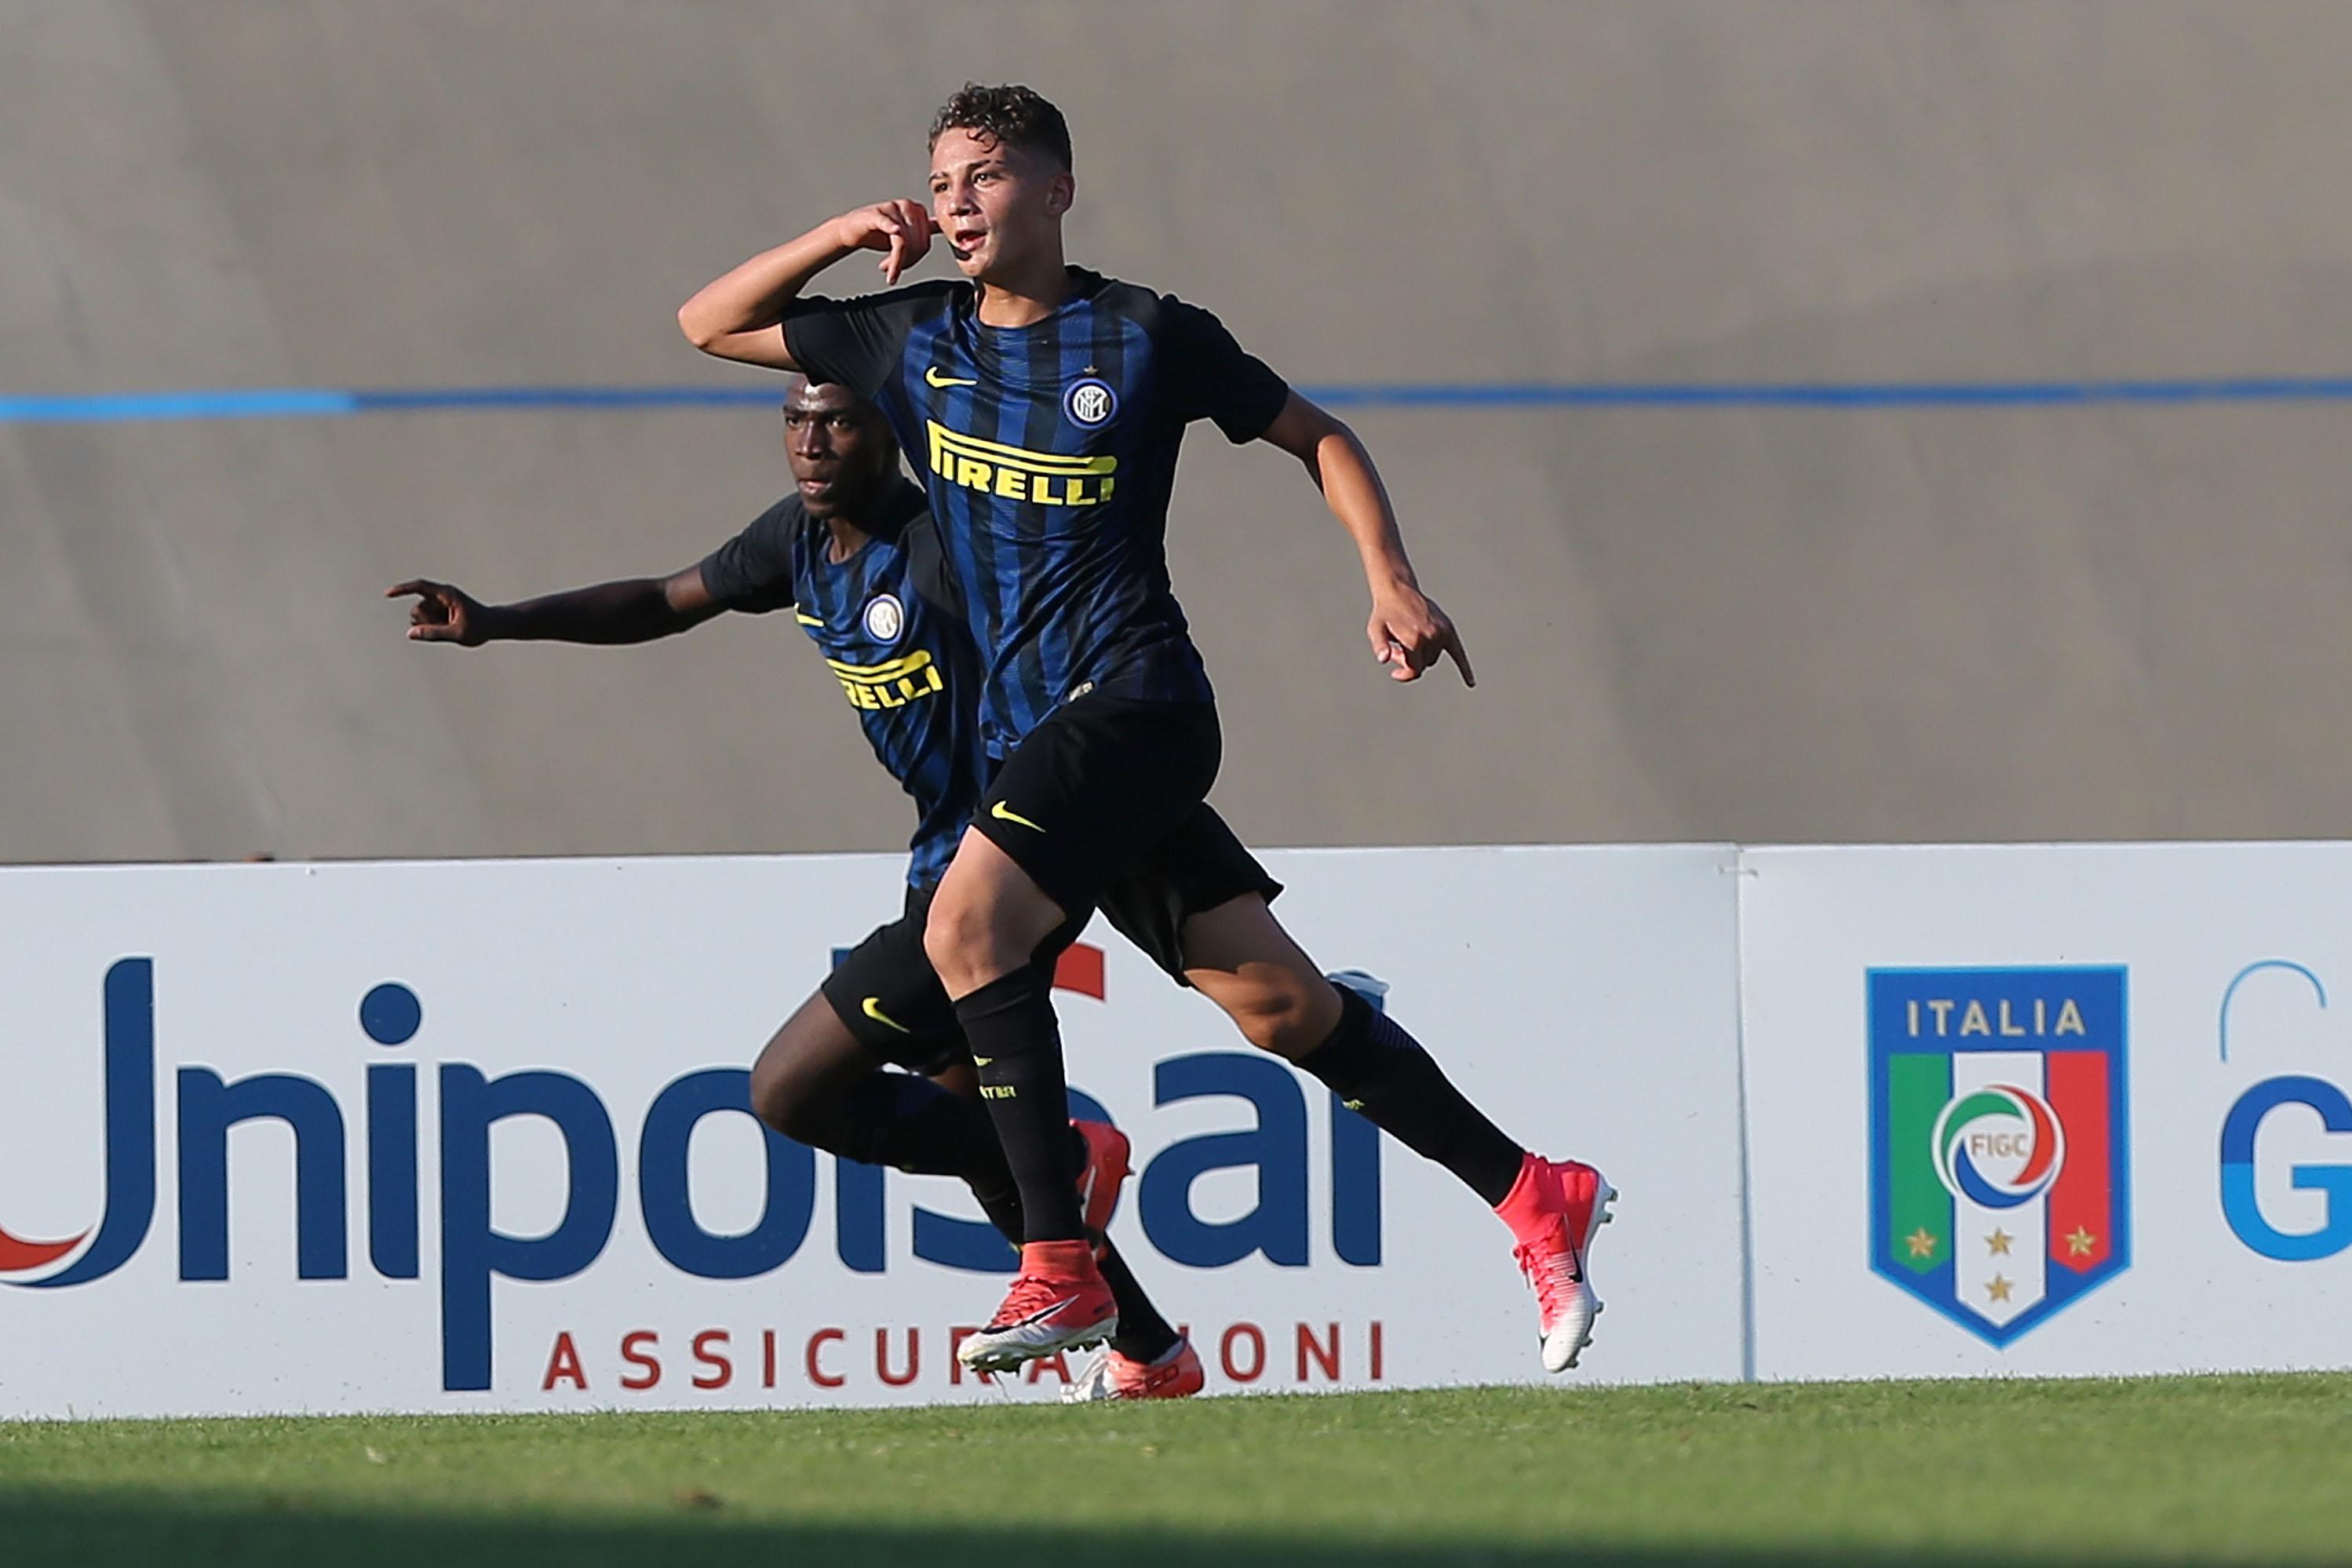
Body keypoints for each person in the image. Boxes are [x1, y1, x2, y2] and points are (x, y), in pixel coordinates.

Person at [676, 84, 1614, 1378]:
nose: (957, 201)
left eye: (985, 176)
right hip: (1034, 762)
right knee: (1267, 1010)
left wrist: (1388, 576)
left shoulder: (1143, 334)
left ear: (1056, 191)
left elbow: (1316, 434)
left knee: (967, 927)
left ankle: (1060, 1270)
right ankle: (1532, 1190)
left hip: (1134, 706)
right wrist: (843, 228)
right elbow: (705, 323)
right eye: (941, 179)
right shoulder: (905, 338)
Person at [387, 378, 1206, 1398]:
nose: (811, 442)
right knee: (987, 1155)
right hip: (936, 866)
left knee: (790, 1088)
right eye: (794, 421)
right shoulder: (796, 542)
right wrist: (496, 623)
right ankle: (1145, 1345)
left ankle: (1065, 1152)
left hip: (1003, 874)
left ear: (891, 434)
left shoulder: (948, 542)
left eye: (839, 420)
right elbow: (663, 599)